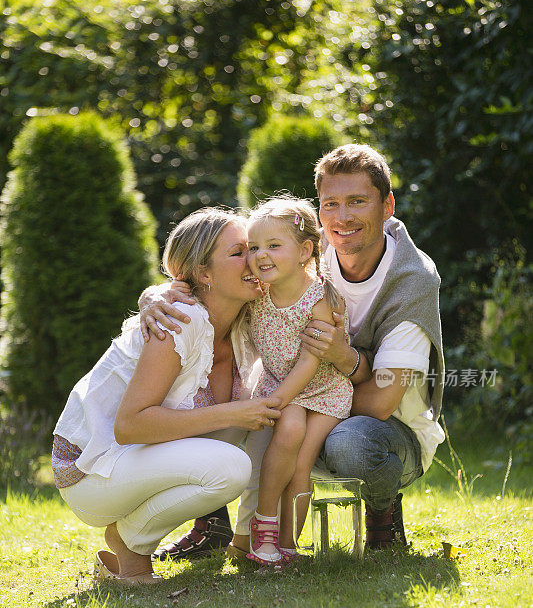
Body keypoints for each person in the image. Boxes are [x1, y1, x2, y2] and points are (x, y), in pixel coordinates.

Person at [141, 143, 445, 556]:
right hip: (293, 392)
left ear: (387, 205)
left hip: (388, 427)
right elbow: (218, 273)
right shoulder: (301, 255)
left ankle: (382, 506)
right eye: (331, 204)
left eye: (358, 202)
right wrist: (158, 293)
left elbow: (380, 402)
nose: (343, 217)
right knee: (224, 392)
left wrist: (341, 361)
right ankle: (219, 524)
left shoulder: (411, 282)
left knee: (350, 443)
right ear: (318, 216)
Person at [52, 208, 281, 584]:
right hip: (91, 468)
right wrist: (234, 413)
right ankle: (129, 543)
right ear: (204, 274)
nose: (255, 259)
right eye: (239, 252)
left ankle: (249, 543)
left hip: (135, 459)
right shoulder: (178, 320)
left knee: (267, 416)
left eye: (255, 248)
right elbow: (130, 425)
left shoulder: (246, 320)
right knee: (230, 466)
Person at [243, 197, 353, 564]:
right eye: (254, 247)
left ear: (306, 250)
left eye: (274, 246)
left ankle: (288, 544)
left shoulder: (318, 298)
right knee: (289, 432)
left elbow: (310, 361)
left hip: (324, 389)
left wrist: (275, 402)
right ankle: (265, 520)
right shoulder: (257, 293)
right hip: (281, 384)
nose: (261, 255)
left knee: (303, 461)